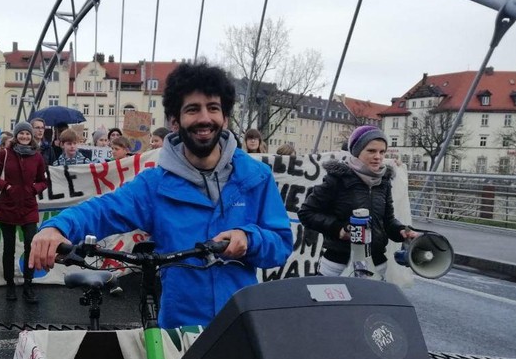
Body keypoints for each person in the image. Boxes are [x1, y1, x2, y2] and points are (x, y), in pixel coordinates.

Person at [31, 62, 293, 329]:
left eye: (213, 108)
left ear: (224, 118)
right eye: (193, 109)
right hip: (179, 332)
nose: (204, 118)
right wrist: (57, 227)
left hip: (242, 327)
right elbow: (104, 209)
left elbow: (281, 244)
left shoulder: (256, 177)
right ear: (175, 121)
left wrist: (249, 239)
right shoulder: (155, 185)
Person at [298, 126, 419, 279]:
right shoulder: (337, 179)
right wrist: (339, 229)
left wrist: (402, 231)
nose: (378, 156)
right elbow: (307, 213)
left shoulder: (384, 181)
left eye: (382, 152)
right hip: (339, 262)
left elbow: (387, 221)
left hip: (376, 262)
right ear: (357, 151)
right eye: (371, 151)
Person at [0, 121, 49, 303]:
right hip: (8, 206)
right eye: (21, 134)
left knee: (31, 246)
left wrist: (33, 189)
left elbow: (43, 181)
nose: (25, 137)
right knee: (9, 248)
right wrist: (7, 186)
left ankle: (28, 285)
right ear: (16, 135)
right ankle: (10, 285)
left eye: (27, 134)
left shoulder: (37, 157)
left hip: (29, 207)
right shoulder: (5, 154)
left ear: (31, 136)